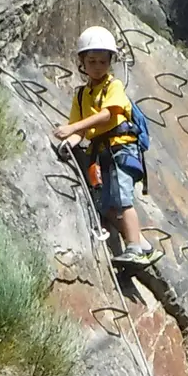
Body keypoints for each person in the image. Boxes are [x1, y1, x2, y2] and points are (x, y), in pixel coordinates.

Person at [52, 26, 154, 265]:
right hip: (102, 154)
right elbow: (80, 130)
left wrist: (72, 129)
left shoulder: (113, 86)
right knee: (106, 205)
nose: (97, 66)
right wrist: (68, 142)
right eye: (92, 61)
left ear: (110, 62)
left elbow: (107, 116)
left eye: (102, 61)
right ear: (82, 62)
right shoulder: (81, 95)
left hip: (121, 150)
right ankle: (143, 244)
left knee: (122, 199)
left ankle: (134, 249)